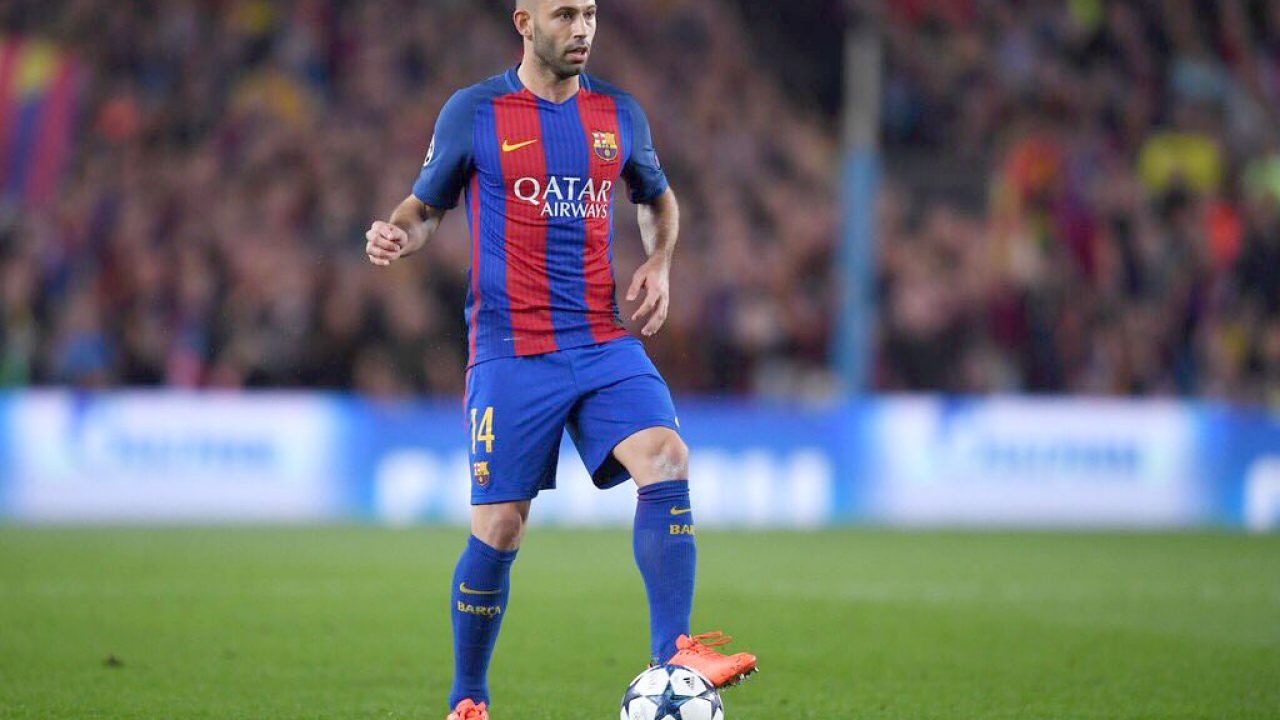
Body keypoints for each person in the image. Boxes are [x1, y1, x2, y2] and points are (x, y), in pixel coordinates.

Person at [363, 1, 757, 718]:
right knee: (500, 528)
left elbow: (657, 199)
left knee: (666, 455)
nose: (582, 29)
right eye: (565, 14)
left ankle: (675, 652)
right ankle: (468, 698)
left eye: (591, 14)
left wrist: (660, 261)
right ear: (524, 22)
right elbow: (424, 209)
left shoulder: (618, 113)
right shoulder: (475, 112)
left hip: (600, 339)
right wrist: (396, 233)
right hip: (511, 352)